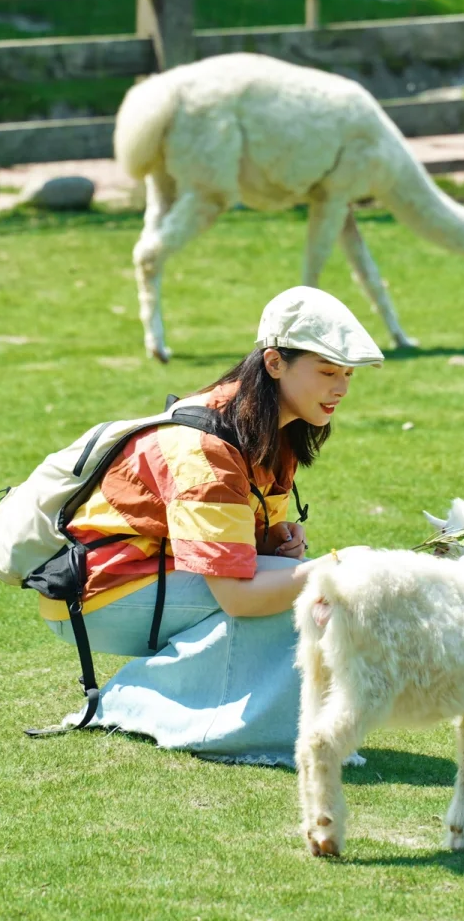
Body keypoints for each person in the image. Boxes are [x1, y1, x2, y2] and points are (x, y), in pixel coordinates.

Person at [39, 285, 383, 764]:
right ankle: (138, 703)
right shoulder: (207, 447)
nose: (341, 388)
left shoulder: (272, 426)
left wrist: (273, 540)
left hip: (139, 574)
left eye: (347, 374)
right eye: (327, 372)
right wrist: (336, 567)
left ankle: (217, 710)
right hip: (99, 593)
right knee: (305, 594)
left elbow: (231, 541)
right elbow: (237, 596)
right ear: (274, 363)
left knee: (298, 585)